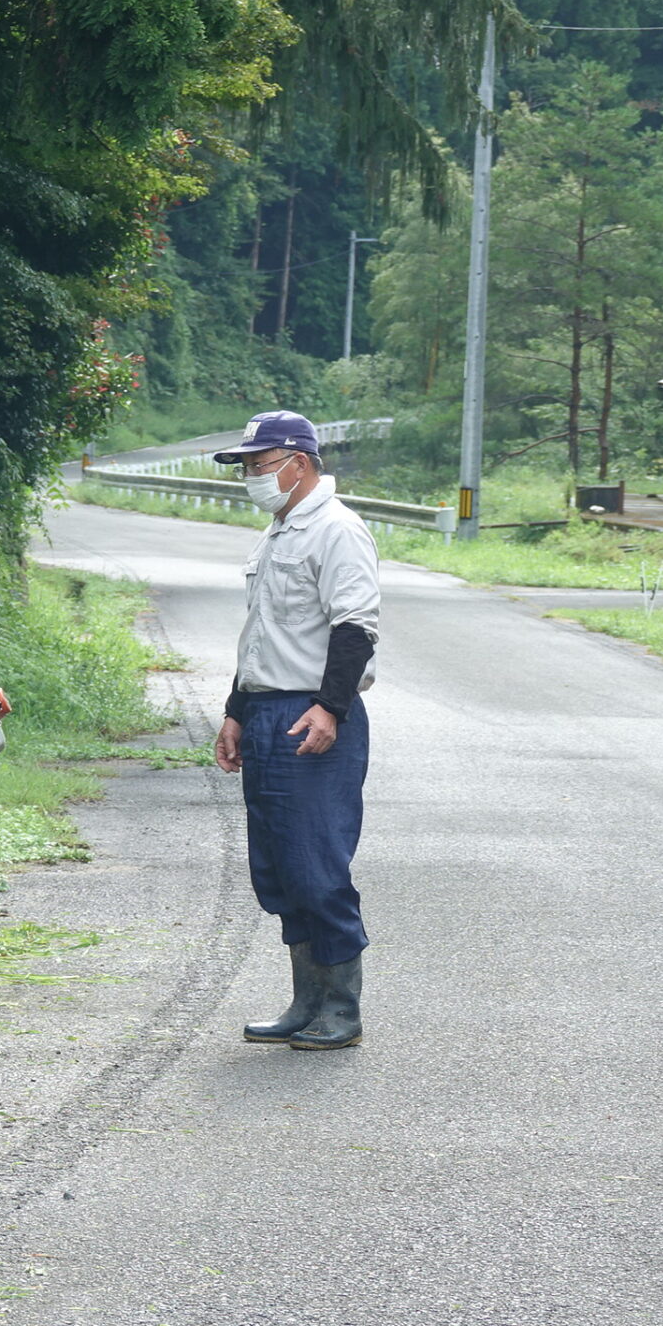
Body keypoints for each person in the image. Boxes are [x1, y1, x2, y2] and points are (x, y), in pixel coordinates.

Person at [208, 410, 382, 1050]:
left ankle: (341, 1006)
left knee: (316, 864)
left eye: (259, 465)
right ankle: (305, 1001)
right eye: (247, 468)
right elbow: (261, 636)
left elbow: (356, 626)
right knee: (279, 867)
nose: (252, 477)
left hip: (312, 713)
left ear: (299, 463)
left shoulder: (336, 530)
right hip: (267, 712)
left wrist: (331, 708)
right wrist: (236, 709)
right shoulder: (277, 532)